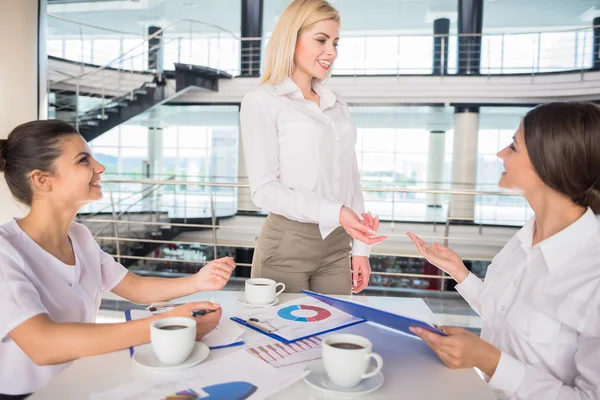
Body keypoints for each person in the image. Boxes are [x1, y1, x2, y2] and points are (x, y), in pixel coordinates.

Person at [0, 120, 237, 399]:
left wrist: (198, 281)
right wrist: (165, 326)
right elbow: (43, 345)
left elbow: (135, 288)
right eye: (83, 160)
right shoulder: (6, 250)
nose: (100, 168)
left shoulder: (80, 236)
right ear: (42, 180)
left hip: (80, 381)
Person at [406, 102, 600, 399]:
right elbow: (505, 313)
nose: (500, 155)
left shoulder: (592, 274)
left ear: (548, 163)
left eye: (513, 146)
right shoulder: (524, 240)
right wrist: (459, 272)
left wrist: (490, 361)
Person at [240, 0, 385, 295]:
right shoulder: (262, 101)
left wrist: (360, 250)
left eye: (335, 42)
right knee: (281, 337)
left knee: (336, 333)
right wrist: (337, 211)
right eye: (321, 40)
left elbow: (351, 181)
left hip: (337, 244)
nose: (331, 52)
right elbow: (264, 190)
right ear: (291, 40)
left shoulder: (336, 105)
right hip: (287, 243)